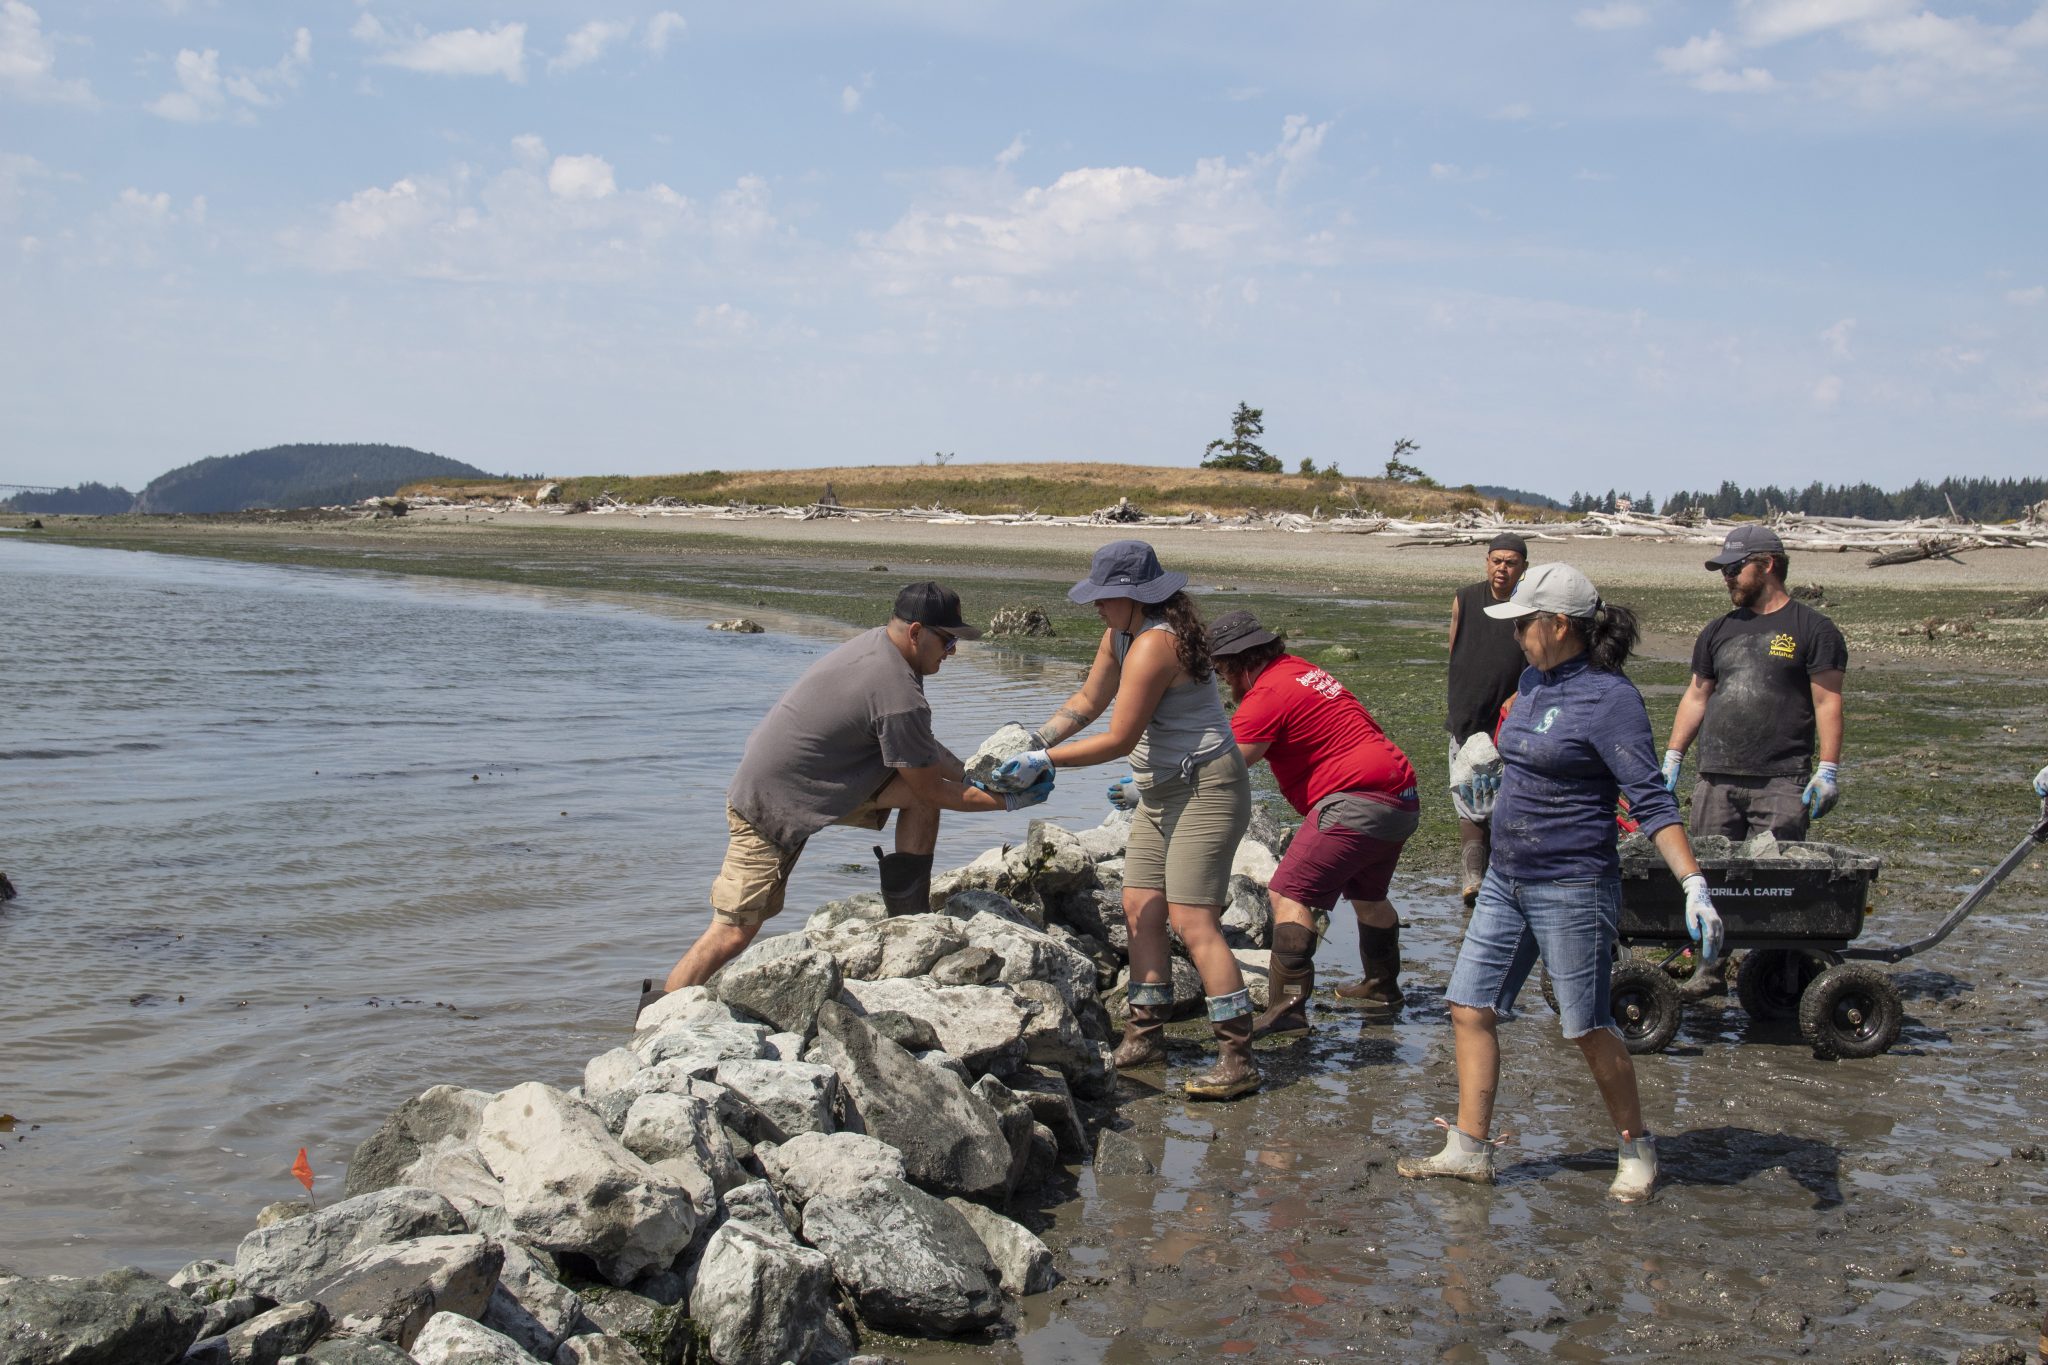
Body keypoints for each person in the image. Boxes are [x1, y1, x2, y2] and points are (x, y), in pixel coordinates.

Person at [1397, 563, 1724, 1203]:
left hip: (1571, 886)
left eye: (1524, 623)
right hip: (1506, 878)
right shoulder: (1533, 680)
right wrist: (1484, 770)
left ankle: (1636, 1147)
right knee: (1469, 1007)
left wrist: (1693, 884)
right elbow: (1518, 750)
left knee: (1586, 1026)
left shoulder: (1610, 699)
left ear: (1560, 624)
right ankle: (1468, 1148)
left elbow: (1651, 801)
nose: (1516, 633)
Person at [650, 582, 1052, 1007]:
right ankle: (656, 1018)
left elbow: (923, 754)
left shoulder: (881, 648)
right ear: (916, 632)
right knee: (733, 930)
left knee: (917, 799)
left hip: (822, 783)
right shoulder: (897, 691)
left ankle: (910, 921)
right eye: (948, 640)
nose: (952, 651)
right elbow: (931, 787)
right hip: (769, 806)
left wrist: (977, 775)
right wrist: (1009, 800)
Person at [989, 540, 1259, 1101]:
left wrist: (1044, 761)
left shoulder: (1157, 645)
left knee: (1191, 919)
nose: (1095, 606)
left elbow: (1118, 739)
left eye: (1104, 597)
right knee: (1140, 906)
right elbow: (1089, 698)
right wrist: (1036, 738)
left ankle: (1237, 1055)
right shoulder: (1121, 634)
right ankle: (1145, 1035)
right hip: (1160, 793)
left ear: (1134, 597)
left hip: (1207, 789)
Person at [1199, 608, 1420, 1034]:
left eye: (1224, 670)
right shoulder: (1300, 670)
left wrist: (1155, 786)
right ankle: (1381, 986)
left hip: (1354, 800)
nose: (1225, 680)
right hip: (1400, 795)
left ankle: (1288, 1011)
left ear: (1242, 663)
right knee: (1368, 896)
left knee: (1287, 894)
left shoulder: (1266, 696)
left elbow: (1225, 767)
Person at [1660, 524, 1846, 997]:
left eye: (1734, 567)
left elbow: (1828, 702)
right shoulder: (1719, 631)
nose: (1726, 577)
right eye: (1724, 569)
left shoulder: (1813, 629)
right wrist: (1673, 757)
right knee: (1710, 876)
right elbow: (1697, 695)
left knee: (1777, 885)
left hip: (1781, 781)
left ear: (1766, 565)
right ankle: (1710, 972)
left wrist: (1828, 771)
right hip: (1716, 780)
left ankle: (1781, 977)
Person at [1446, 534, 1531, 907]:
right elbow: (1455, 652)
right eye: (1497, 561)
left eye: (1511, 562)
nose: (1502, 568)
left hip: (1512, 720)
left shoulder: (1528, 605)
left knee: (1506, 800)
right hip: (1466, 716)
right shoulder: (1465, 599)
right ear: (1486, 562)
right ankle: (1472, 880)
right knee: (1468, 794)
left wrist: (1521, 695)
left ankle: (1503, 877)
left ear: (1523, 568)